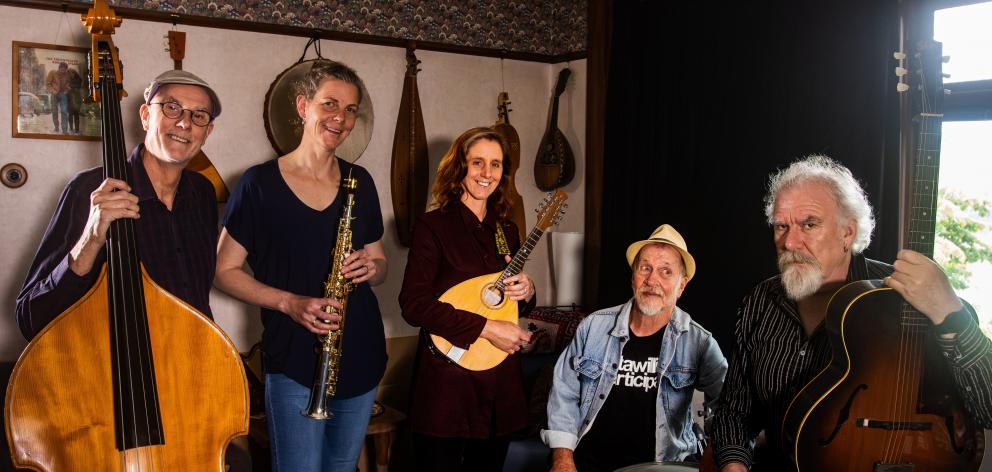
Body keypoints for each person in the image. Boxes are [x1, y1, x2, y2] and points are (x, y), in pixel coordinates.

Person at [710, 155, 992, 471]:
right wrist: (733, 465)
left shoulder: (901, 299)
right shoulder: (760, 303)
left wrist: (951, 312)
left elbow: (988, 409)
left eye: (809, 224)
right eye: (780, 226)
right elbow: (735, 411)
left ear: (848, 232)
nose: (789, 241)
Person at [214, 60, 386, 472]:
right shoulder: (258, 183)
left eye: (350, 110)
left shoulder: (360, 181)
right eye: (330, 104)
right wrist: (290, 303)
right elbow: (223, 270)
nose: (340, 118)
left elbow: (380, 262)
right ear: (303, 106)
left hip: (360, 351)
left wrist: (372, 267)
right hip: (293, 359)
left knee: (342, 467)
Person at [16, 69, 221, 339]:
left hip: (191, 366)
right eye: (172, 108)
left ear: (207, 131)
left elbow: (197, 298)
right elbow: (32, 317)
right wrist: (90, 239)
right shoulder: (89, 189)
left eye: (198, 115)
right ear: (146, 116)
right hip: (112, 372)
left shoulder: (203, 193)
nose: (184, 123)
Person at [399, 127, 537, 472]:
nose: (487, 174)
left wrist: (527, 292)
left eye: (496, 164)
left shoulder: (506, 231)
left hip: (498, 385)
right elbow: (414, 304)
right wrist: (487, 328)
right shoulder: (432, 227)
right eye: (478, 162)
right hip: (447, 385)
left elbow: (509, 303)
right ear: (459, 167)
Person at [542, 224, 728, 472]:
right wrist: (563, 458)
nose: (652, 280)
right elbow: (564, 392)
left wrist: (714, 450)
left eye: (665, 271)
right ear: (633, 276)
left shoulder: (699, 341)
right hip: (589, 462)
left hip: (663, 465)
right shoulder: (593, 327)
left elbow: (731, 401)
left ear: (681, 286)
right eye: (646, 268)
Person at [44, 62, 71, 134]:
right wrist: (52, 91)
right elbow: (47, 83)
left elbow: (68, 84)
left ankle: (64, 130)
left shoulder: (67, 75)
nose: (63, 71)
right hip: (54, 94)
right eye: (61, 69)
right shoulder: (52, 73)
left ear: (66, 69)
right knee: (54, 111)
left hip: (63, 94)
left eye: (64, 69)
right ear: (59, 68)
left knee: (64, 111)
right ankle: (56, 127)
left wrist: (66, 90)